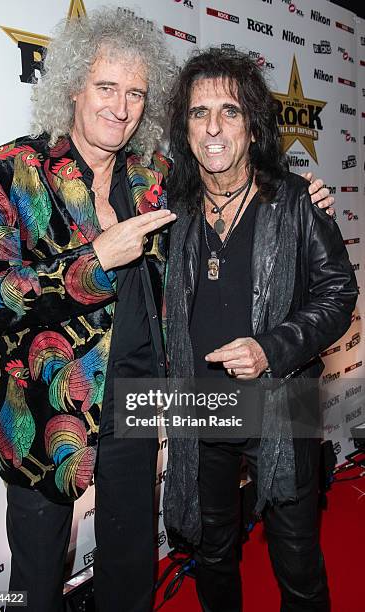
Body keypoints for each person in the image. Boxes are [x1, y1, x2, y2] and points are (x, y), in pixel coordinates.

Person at [0, 9, 176, 611]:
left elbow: (229, 192)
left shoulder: (154, 175)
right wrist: (93, 261)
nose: (122, 106)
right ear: (73, 87)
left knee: (132, 556)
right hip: (42, 407)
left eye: (136, 92)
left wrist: (298, 195)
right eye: (107, 87)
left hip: (138, 396)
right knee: (36, 571)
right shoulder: (6, 171)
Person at [163, 48, 358, 612]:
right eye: (199, 113)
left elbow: (338, 295)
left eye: (230, 111)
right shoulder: (174, 211)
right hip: (201, 403)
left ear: (253, 125)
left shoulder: (297, 201)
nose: (214, 127)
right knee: (214, 549)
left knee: (295, 556)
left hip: (283, 398)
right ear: (185, 128)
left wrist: (270, 350)